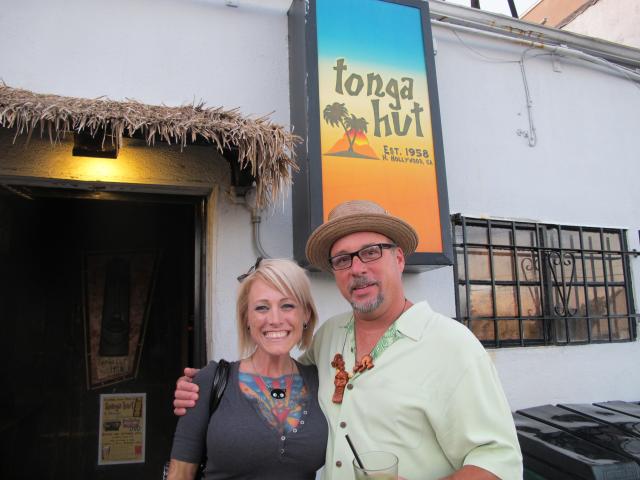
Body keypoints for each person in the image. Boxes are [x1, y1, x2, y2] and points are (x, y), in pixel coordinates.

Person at [174, 200, 523, 480]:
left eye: (371, 252)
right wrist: (200, 390)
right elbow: (278, 376)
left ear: (399, 258)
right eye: (343, 260)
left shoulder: (452, 346)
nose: (357, 269)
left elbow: (498, 461)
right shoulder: (329, 336)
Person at [168, 258, 327, 480]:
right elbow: (180, 474)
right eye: (262, 307)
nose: (275, 319)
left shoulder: (322, 382)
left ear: (306, 314)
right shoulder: (210, 381)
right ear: (246, 318)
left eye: (287, 305)